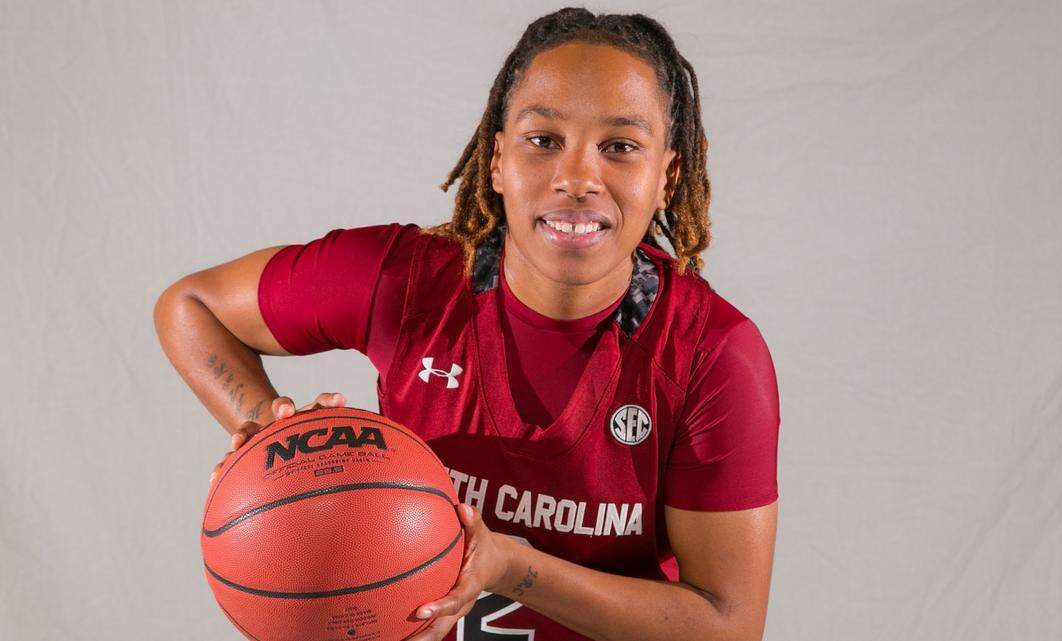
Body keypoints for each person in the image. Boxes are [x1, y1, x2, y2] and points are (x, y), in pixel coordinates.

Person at [154, 8, 780, 641]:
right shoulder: (405, 282)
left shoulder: (713, 353)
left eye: (619, 147)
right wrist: (267, 432)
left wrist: (514, 568)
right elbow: (192, 307)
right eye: (543, 141)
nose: (577, 178)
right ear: (497, 161)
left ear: (666, 177)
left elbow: (728, 626)